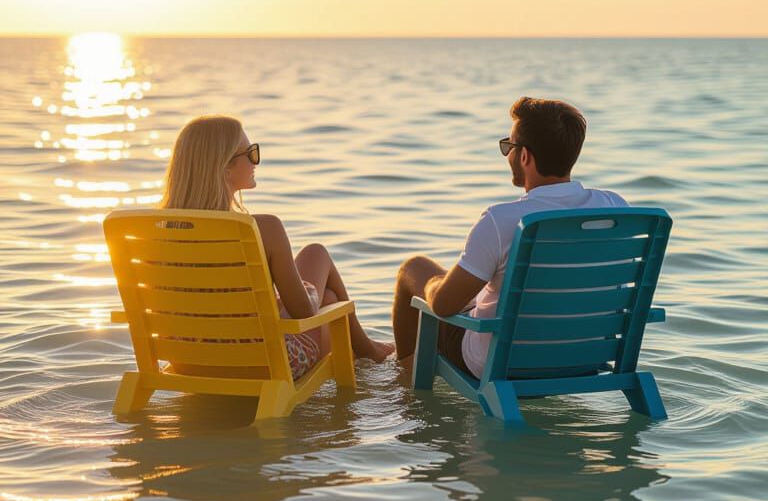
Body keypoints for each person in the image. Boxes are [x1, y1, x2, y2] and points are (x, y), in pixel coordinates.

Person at [392, 96, 627, 378]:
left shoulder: (500, 220)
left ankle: (402, 380)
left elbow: (444, 306)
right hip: (588, 357)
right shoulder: (615, 208)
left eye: (509, 147)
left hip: (502, 362)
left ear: (524, 156)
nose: (508, 155)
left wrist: (433, 285)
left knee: (414, 268)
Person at [161, 114, 394, 379]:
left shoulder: (155, 234)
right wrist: (310, 291)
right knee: (318, 263)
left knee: (328, 297)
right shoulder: (263, 229)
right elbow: (303, 311)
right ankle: (368, 351)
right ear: (225, 167)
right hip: (260, 365)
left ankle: (367, 348)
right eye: (250, 154)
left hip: (187, 361)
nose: (255, 161)